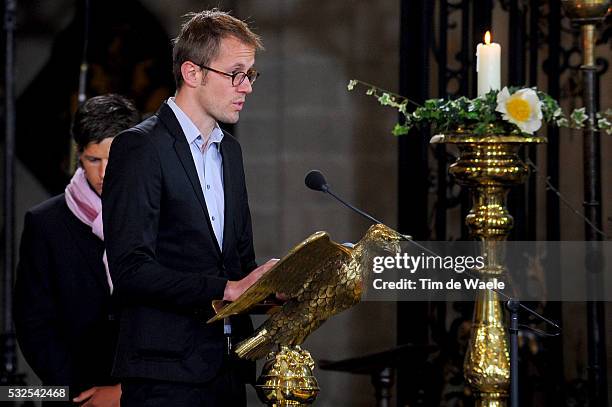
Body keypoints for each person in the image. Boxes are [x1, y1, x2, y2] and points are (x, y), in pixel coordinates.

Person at [102, 9, 277, 407]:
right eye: (235, 73)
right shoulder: (140, 147)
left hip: (228, 371)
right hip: (164, 375)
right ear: (193, 73)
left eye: (250, 74)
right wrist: (226, 289)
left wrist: (271, 289)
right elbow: (130, 269)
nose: (246, 87)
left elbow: (237, 265)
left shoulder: (230, 152)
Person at [14, 94, 141, 406]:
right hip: (73, 395)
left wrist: (129, 392)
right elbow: (34, 323)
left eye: (114, 159)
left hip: (147, 393)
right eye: (93, 160)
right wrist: (77, 393)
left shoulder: (160, 216)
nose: (103, 173)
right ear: (78, 156)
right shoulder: (45, 224)